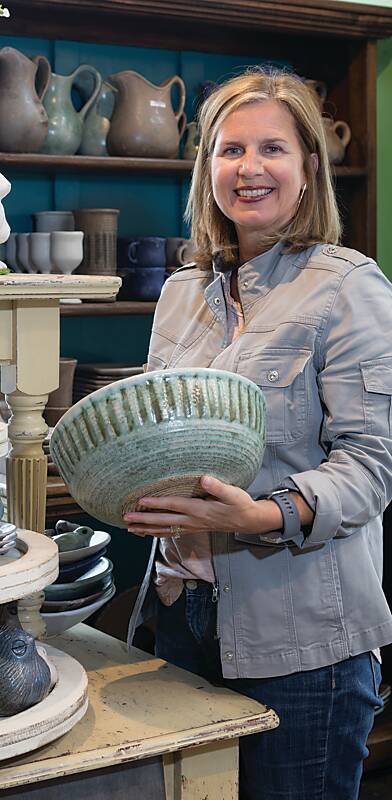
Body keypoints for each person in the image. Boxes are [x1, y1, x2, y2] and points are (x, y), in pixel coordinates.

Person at [124, 66, 392, 800]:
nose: (249, 169)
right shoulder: (182, 294)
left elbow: (371, 466)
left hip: (300, 640)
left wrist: (262, 515)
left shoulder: (349, 286)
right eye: (230, 150)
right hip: (178, 618)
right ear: (207, 167)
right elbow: (158, 437)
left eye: (272, 148)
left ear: (309, 166)